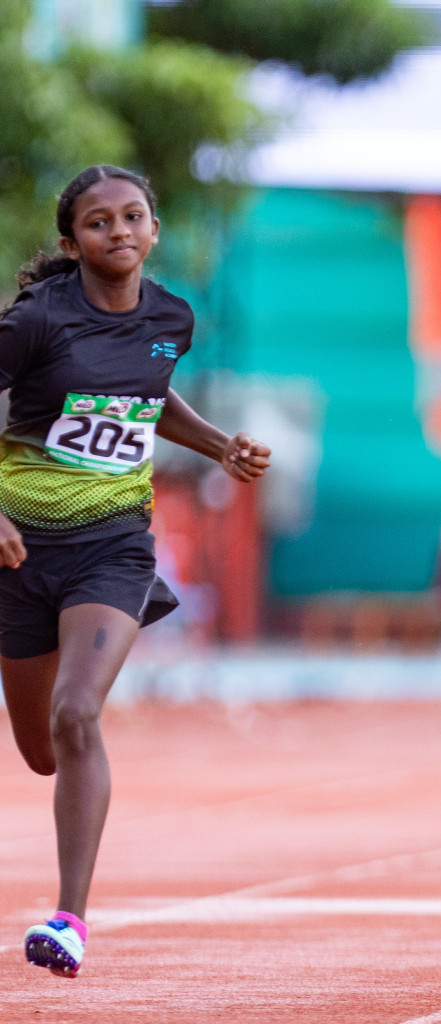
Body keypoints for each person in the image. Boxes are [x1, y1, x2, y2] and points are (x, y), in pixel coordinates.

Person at [0, 165, 271, 977]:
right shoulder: (36, 322)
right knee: (43, 749)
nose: (118, 232)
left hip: (112, 544)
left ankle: (70, 919)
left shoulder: (171, 318)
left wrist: (220, 442)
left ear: (154, 230)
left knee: (78, 717)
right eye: (98, 222)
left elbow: (151, 396)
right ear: (70, 242)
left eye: (133, 217)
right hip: (20, 549)